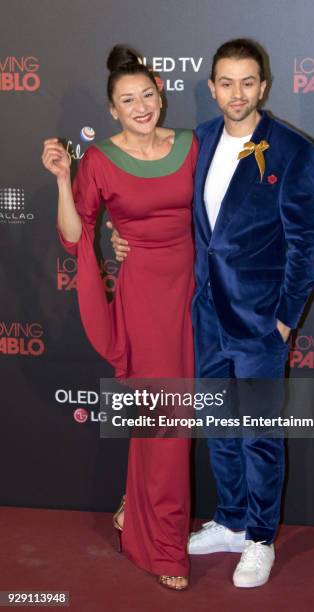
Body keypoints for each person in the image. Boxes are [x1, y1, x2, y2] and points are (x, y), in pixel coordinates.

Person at [112, 39, 314, 588]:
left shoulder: (294, 150)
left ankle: (259, 537)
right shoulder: (196, 141)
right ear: (211, 88)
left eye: (247, 82)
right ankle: (229, 520)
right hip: (201, 316)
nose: (237, 93)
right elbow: (155, 201)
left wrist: (284, 318)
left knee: (258, 434)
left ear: (264, 86)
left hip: (259, 323)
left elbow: (304, 245)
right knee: (219, 427)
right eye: (226, 83)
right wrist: (121, 237)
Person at [41, 45, 198, 591]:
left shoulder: (191, 144)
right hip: (146, 298)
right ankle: (164, 548)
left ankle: (136, 504)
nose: (140, 106)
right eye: (127, 100)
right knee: (168, 419)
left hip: (198, 293)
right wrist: (64, 181)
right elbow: (71, 234)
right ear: (112, 109)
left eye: (147, 96)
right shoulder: (102, 160)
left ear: (161, 95)